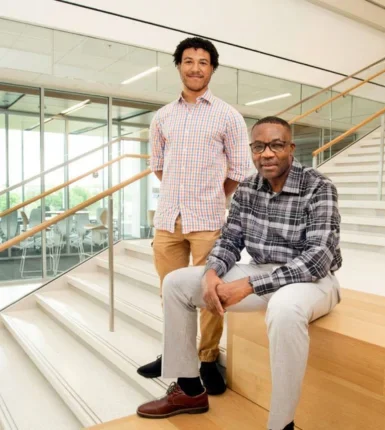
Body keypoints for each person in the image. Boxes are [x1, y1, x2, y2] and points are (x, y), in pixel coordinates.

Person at [137, 116, 342, 430]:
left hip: (312, 280)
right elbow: (231, 239)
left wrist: (249, 284)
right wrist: (211, 273)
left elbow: (318, 258)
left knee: (285, 310)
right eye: (259, 146)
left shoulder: (318, 186)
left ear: (291, 148)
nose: (267, 153)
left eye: (276, 145)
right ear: (252, 151)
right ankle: (190, 390)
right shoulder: (248, 187)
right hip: (261, 272)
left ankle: (280, 424)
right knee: (177, 282)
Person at [137, 36, 250, 394]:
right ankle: (176, 355)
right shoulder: (163, 117)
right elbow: (158, 165)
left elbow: (241, 169)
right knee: (169, 293)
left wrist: (214, 196)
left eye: (203, 62)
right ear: (179, 66)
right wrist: (180, 195)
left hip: (209, 221)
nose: (195, 68)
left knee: (209, 294)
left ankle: (206, 358)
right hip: (168, 219)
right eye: (189, 61)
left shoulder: (228, 116)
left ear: (212, 69)